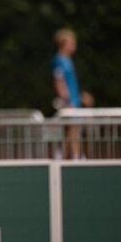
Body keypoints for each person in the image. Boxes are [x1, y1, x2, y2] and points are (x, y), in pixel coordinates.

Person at [52, 28, 93, 159]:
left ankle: (66, 154)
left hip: (73, 100)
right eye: (71, 43)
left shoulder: (67, 61)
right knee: (73, 128)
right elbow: (59, 81)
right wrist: (66, 100)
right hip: (69, 102)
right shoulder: (60, 60)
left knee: (71, 128)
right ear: (63, 44)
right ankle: (75, 156)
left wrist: (79, 96)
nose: (74, 46)